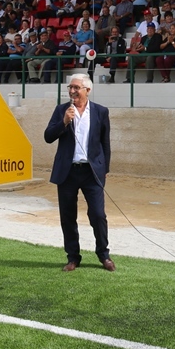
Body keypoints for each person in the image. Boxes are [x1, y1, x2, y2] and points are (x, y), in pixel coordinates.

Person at [43, 74, 114, 272]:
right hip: (67, 172)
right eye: (70, 87)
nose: (72, 91)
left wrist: (104, 169)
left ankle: (104, 255)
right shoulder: (61, 110)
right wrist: (64, 122)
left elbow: (105, 143)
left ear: (87, 90)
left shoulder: (101, 111)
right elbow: (48, 137)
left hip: (92, 173)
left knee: (98, 215)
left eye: (76, 87)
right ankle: (73, 257)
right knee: (67, 216)